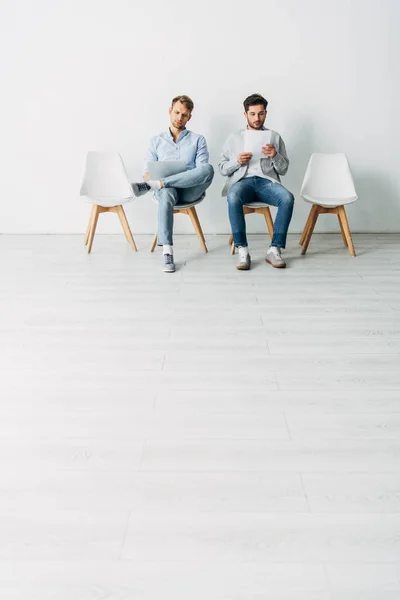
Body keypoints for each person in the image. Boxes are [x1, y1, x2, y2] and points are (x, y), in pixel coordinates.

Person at [131, 95, 214, 273]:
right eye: (177, 112)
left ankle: (157, 185)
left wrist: (157, 182)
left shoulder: (198, 140)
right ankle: (167, 252)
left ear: (189, 117)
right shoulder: (156, 141)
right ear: (170, 111)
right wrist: (151, 180)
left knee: (208, 169)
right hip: (167, 192)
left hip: (190, 190)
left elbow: (201, 171)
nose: (179, 118)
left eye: (184, 115)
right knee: (167, 192)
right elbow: (147, 173)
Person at [219, 93, 294, 270]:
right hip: (242, 181)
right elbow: (222, 168)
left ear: (266, 113)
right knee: (233, 196)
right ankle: (242, 250)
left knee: (287, 198)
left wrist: (275, 156)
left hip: (266, 182)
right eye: (252, 114)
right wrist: (237, 161)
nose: (257, 118)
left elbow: (283, 169)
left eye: (260, 113)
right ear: (245, 114)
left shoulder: (274, 137)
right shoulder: (234, 137)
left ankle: (274, 249)